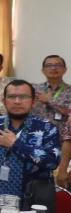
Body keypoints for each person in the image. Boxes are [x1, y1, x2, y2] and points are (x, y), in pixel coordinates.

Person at [0, 80, 62, 211]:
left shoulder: (47, 128)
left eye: (23, 97)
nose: (17, 101)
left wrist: (16, 144)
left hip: (31, 206)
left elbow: (52, 162)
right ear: (4, 101)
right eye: (12, 97)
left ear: (34, 102)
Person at [33, 55, 71, 187]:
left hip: (63, 145)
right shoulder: (34, 90)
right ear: (43, 70)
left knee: (59, 185)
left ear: (65, 69)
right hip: (37, 143)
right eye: (49, 65)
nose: (53, 68)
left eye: (57, 65)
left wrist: (50, 100)